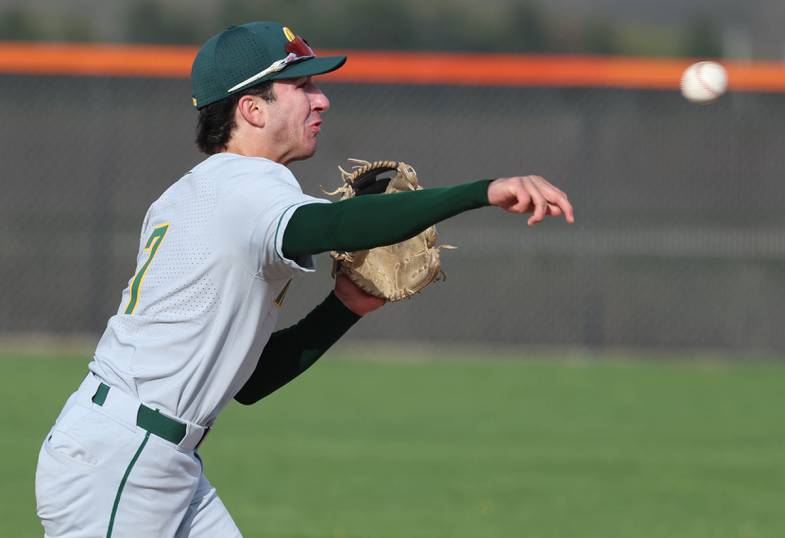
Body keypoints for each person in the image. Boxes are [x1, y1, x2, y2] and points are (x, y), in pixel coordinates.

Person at [34, 21, 574, 538]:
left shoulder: (204, 191)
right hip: (120, 465)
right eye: (302, 85)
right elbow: (333, 225)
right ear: (251, 108)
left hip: (150, 454)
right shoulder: (245, 189)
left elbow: (249, 382)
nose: (322, 99)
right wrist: (481, 191)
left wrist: (344, 307)